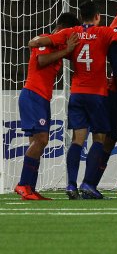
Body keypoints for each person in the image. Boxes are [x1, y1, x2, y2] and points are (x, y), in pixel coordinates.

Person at [28, 1, 117, 200]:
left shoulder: (72, 33)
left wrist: (38, 42)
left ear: (81, 17)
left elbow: (40, 42)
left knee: (77, 140)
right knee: (99, 139)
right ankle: (88, 184)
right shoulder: (104, 32)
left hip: (77, 94)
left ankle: (71, 185)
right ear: (98, 17)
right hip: (97, 94)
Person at [14, 12, 80, 200]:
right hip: (33, 95)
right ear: (62, 29)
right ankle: (23, 184)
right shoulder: (44, 39)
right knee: (41, 140)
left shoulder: (57, 45)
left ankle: (30, 189)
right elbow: (41, 61)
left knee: (37, 142)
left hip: (40, 98)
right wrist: (66, 50)